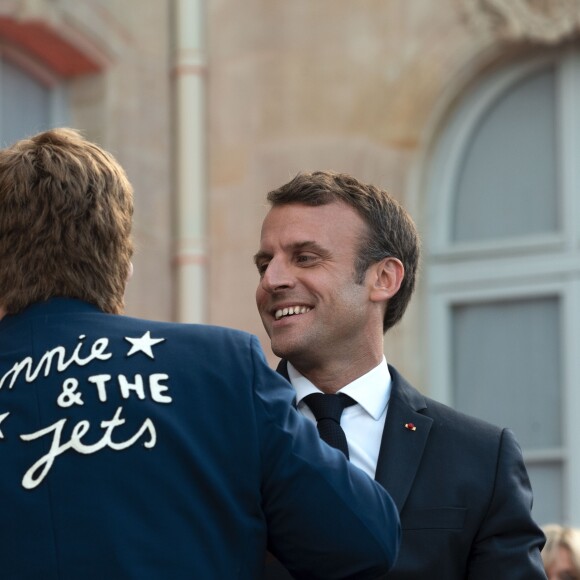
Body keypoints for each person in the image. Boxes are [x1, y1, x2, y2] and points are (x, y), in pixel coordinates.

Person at [0, 130, 401, 579]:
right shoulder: (217, 367)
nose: (273, 279)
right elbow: (365, 538)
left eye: (306, 257)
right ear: (122, 264)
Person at [254, 170, 547, 579]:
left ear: (384, 278)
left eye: (305, 257)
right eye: (265, 263)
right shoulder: (217, 438)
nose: (272, 280)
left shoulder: (481, 457)